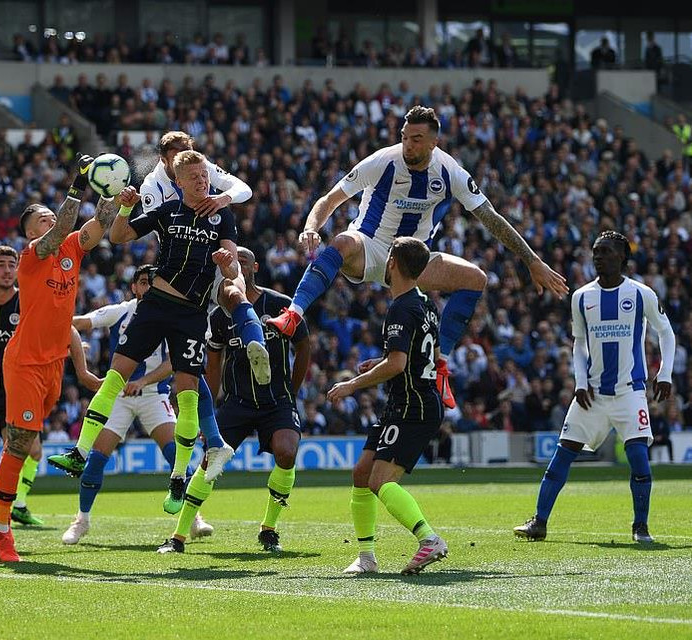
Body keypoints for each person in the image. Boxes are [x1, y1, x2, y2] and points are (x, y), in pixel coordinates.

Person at [268, 105, 567, 412]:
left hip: (412, 262)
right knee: (343, 241)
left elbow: (490, 217)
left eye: (416, 139)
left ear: (433, 142)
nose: (408, 144)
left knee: (476, 279)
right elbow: (330, 199)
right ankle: (293, 314)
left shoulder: (450, 172)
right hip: (369, 248)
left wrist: (532, 260)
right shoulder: (384, 160)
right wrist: (310, 227)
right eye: (405, 137)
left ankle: (440, 364)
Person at [48, 133, 267, 484]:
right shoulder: (165, 207)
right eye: (194, 177)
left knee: (188, 393)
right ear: (177, 181)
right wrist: (124, 206)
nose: (202, 180)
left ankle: (179, 476)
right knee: (115, 376)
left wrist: (227, 264)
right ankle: (80, 451)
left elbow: (232, 267)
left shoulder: (222, 216)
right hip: (155, 305)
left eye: (204, 175)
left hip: (192, 313)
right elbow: (119, 236)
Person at [0, 154, 120, 562]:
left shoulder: (72, 251)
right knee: (20, 442)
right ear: (31, 230)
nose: (49, 220)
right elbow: (64, 225)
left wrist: (114, 194)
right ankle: (2, 530)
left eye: (49, 216)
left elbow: (101, 224)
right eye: (41, 217)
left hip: (53, 363)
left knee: (28, 446)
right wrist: (80, 184)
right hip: (24, 361)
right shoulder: (32, 255)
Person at [514, 231, 675, 544]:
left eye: (605, 252)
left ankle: (640, 527)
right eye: (595, 252)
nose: (598, 257)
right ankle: (539, 522)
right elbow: (579, 343)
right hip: (593, 395)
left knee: (639, 459)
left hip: (630, 392)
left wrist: (664, 373)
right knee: (562, 454)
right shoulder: (582, 297)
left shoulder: (642, 294)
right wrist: (581, 381)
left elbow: (666, 333)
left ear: (622, 258)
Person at [158, 247, 311, 554]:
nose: (239, 263)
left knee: (287, 452)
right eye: (233, 260)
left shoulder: (281, 305)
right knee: (207, 461)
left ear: (255, 265)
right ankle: (178, 537)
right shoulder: (219, 315)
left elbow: (304, 346)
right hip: (237, 402)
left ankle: (269, 530)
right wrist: (207, 416)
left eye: (244, 259)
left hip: (277, 401)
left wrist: (291, 393)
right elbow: (213, 366)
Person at [61, 264, 213, 545]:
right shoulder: (123, 311)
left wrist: (143, 382)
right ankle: (81, 519)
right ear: (134, 287)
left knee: (176, 455)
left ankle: (193, 518)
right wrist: (77, 355)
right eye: (142, 282)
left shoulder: (172, 312)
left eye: (152, 283)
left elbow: (175, 363)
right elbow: (74, 322)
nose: (147, 287)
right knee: (97, 458)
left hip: (154, 395)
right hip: (118, 397)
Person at [326, 237, 448, 575]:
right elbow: (423, 357)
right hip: (407, 400)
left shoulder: (401, 307)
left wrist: (352, 384)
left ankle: (429, 539)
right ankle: (366, 558)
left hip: (411, 404)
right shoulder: (426, 304)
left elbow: (397, 364)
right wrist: (377, 362)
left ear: (391, 262)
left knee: (381, 482)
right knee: (362, 474)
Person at [0, 245, 101, 527]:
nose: (7, 271)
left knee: (30, 450)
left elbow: (64, 325)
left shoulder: (27, 299)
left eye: (11, 265)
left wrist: (74, 360)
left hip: (18, 384)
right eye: (1, 265)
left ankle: (10, 504)